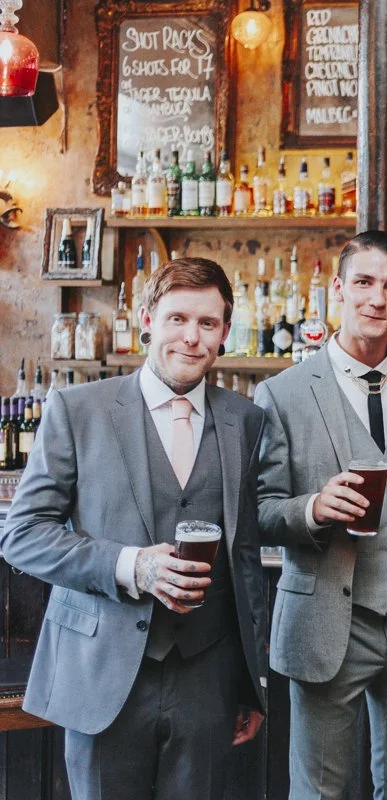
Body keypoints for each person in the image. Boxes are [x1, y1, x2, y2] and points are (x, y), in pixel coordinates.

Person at [1, 257, 268, 800]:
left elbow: (244, 558)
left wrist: (249, 685)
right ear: (147, 319)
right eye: (177, 319)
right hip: (103, 672)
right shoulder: (77, 409)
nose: (191, 338)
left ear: (224, 333)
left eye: (208, 324)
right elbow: (23, 533)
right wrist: (133, 565)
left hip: (208, 677)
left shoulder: (246, 419)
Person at [255, 230, 387, 799]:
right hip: (329, 621)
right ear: (337, 290)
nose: (378, 299)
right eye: (365, 283)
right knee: (322, 790)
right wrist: (314, 508)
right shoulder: (283, 393)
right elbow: (260, 511)